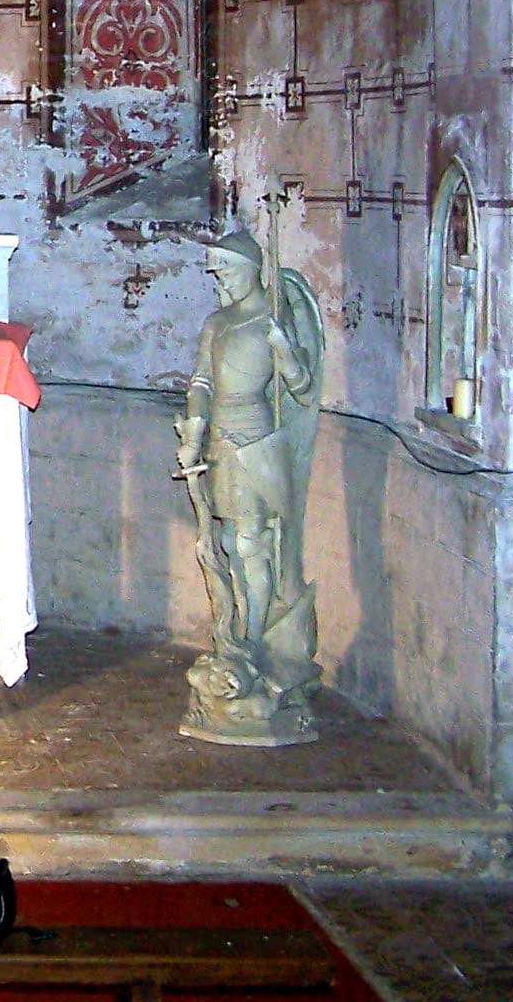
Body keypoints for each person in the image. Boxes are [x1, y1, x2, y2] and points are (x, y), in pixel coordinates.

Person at [172, 223, 325, 745]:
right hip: (218, 438)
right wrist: (194, 433)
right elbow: (202, 380)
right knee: (226, 543)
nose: (221, 281)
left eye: (227, 271)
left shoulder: (271, 320)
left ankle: (254, 637)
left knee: (250, 541)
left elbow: (301, 387)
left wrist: (285, 349)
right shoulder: (217, 323)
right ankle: (236, 629)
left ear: (252, 269)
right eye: (216, 273)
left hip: (256, 439)